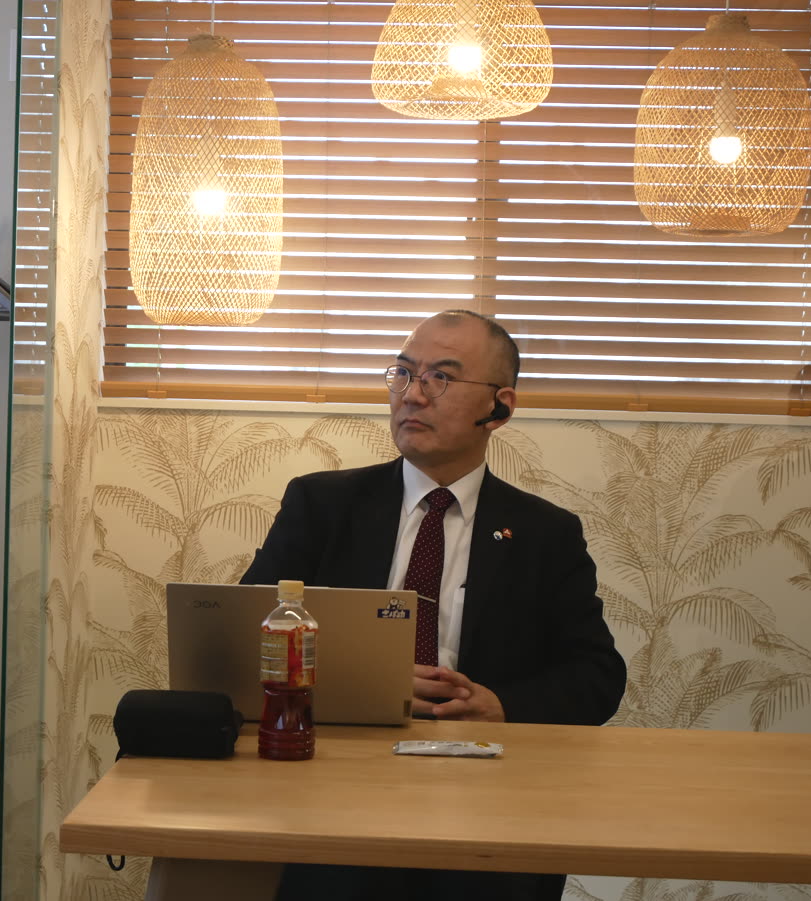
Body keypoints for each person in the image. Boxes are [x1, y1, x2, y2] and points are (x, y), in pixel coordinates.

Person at [241, 309, 627, 901]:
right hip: (337, 783)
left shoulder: (546, 533)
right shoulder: (322, 506)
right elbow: (248, 638)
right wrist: (370, 685)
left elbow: (597, 676)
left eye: (440, 378)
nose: (412, 395)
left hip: (489, 792)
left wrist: (502, 704)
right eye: (403, 373)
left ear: (499, 407)